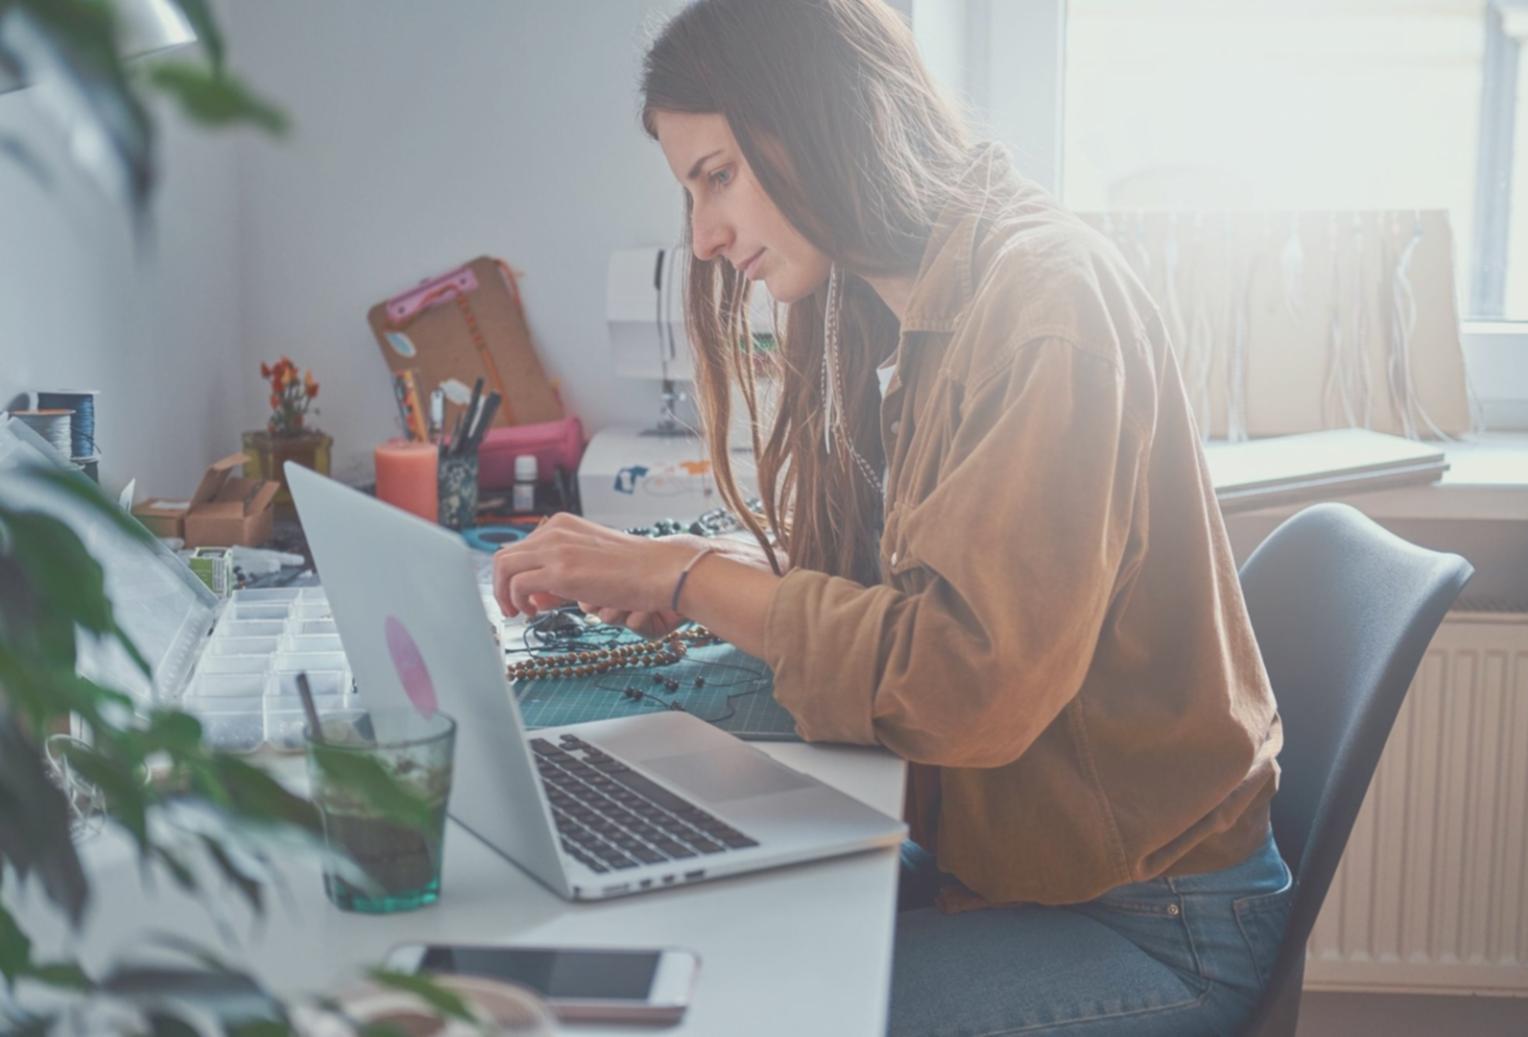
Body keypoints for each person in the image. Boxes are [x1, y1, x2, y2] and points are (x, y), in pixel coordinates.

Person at [491, 1, 1289, 1033]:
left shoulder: (1046, 306)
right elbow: (901, 582)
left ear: (821, 116)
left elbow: (964, 679)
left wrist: (686, 576)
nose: (703, 236)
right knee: (687, 942)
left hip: (1153, 918)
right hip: (1014, 864)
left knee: (748, 1010)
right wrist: (711, 581)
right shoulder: (889, 307)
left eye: (718, 175)